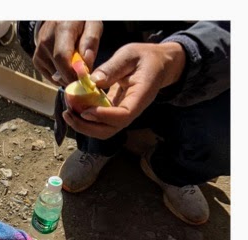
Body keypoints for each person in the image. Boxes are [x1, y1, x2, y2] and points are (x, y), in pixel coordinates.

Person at [18, 21, 230, 225]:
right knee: (89, 70)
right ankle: (99, 146)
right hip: (119, 32)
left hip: (213, 57)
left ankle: (172, 170)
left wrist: (184, 55)